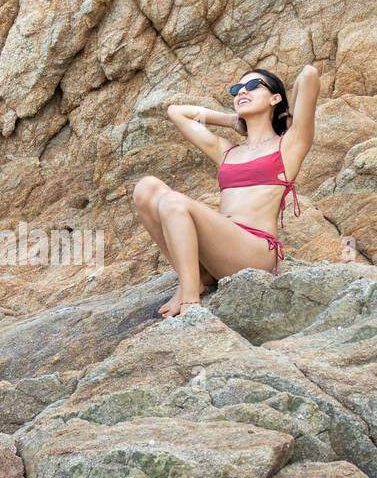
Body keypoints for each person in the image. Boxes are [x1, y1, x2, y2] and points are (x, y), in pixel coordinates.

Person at [133, 65, 319, 317]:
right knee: (147, 188)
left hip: (254, 252)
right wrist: (232, 120)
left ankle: (190, 301)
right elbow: (176, 112)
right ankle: (196, 279)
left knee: (174, 202)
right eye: (237, 89)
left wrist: (289, 114)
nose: (243, 91)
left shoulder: (290, 144)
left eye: (254, 86)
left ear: (275, 98)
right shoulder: (228, 151)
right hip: (219, 253)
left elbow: (308, 74)